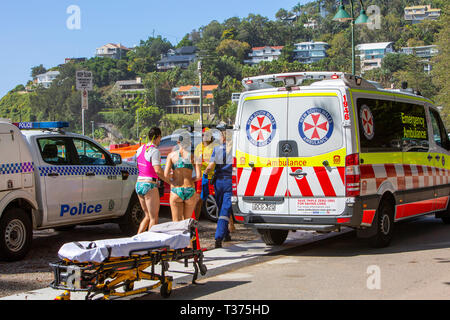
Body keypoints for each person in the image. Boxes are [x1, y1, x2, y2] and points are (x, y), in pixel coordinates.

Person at [203, 127, 233, 248]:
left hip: (219, 183)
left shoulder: (217, 149)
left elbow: (210, 166)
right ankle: (220, 236)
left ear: (223, 137)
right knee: (225, 210)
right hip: (230, 182)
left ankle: (223, 234)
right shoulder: (235, 150)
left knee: (222, 209)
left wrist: (205, 174)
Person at [135, 127, 168, 234]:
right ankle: (149, 243)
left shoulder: (140, 149)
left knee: (147, 216)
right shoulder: (154, 151)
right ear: (157, 137)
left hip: (139, 183)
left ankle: (137, 238)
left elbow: (138, 166)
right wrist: (169, 180)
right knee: (154, 217)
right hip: (149, 184)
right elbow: (158, 170)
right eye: (160, 137)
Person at [165, 132, 201, 222]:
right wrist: (191, 180)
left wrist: (172, 182)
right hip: (190, 189)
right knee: (187, 223)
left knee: (176, 223)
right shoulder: (194, 157)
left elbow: (165, 175)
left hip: (176, 189)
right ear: (190, 143)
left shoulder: (171, 156)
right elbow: (199, 176)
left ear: (178, 142)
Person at [193, 128, 218, 220]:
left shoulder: (215, 146)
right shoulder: (199, 147)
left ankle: (229, 223)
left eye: (207, 135)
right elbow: (195, 162)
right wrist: (199, 175)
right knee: (198, 200)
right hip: (202, 177)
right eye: (203, 134)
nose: (204, 136)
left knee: (218, 199)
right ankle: (195, 221)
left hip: (213, 177)